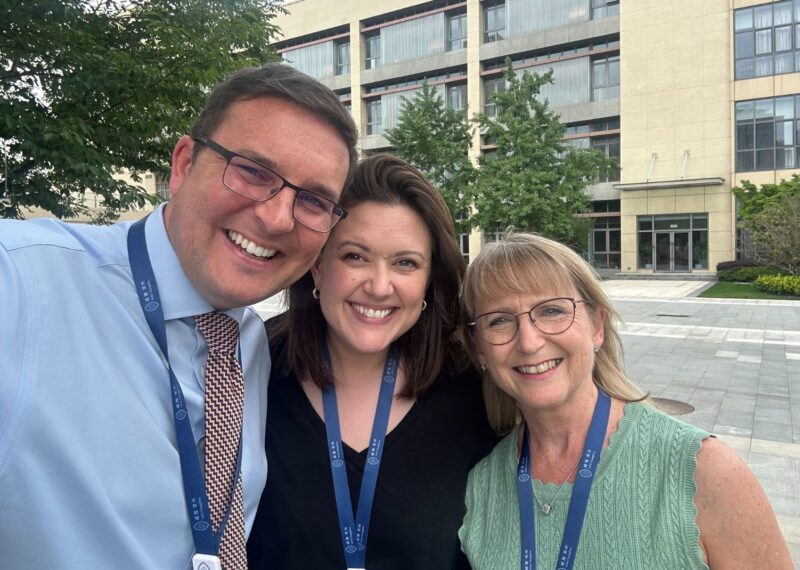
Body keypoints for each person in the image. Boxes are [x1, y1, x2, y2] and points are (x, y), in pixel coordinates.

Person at [0, 63, 357, 569]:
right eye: (253, 172)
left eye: (314, 200)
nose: (277, 218)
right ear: (184, 164)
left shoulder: (250, 342)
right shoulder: (21, 283)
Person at [458, 233, 792, 569]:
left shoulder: (702, 471)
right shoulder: (481, 486)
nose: (529, 342)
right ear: (480, 350)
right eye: (499, 320)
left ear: (597, 326)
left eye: (552, 311)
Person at [246, 154, 497, 570]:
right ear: (317, 267)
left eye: (405, 263)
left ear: (429, 281)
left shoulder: (475, 391)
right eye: (355, 257)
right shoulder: (253, 366)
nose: (379, 287)